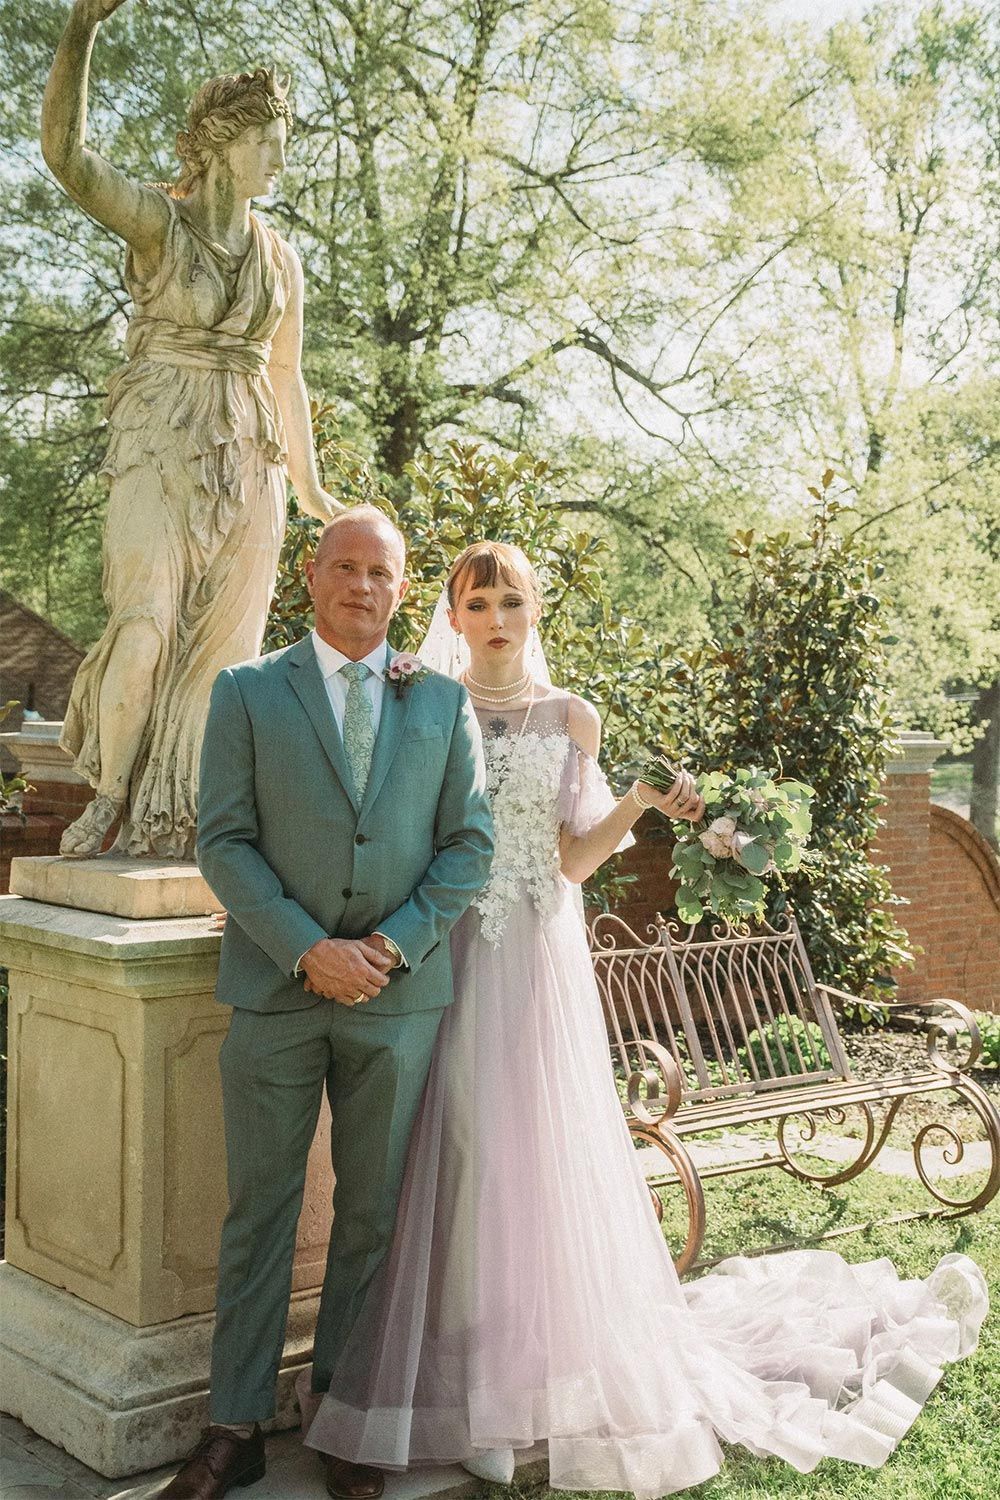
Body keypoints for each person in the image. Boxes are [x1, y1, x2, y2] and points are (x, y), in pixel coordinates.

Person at [303, 540, 988, 1499]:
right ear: (451, 616)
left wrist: (637, 800)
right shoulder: (425, 702)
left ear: (535, 611)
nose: (495, 618)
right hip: (441, 950)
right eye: (477, 603)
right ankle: (455, 1378)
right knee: (452, 1150)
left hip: (531, 957)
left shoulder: (571, 715)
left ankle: (515, 1388)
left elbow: (573, 862)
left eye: (511, 600)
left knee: (524, 1154)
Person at [159, 508, 494, 1500]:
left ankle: (344, 1414)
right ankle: (233, 1426)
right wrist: (308, 949)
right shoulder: (246, 690)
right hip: (275, 992)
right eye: (344, 566)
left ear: (403, 589)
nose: (361, 586)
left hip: (397, 1000)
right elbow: (222, 839)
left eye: (380, 572)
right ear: (311, 576)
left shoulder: (442, 701)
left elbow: (469, 844)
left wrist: (387, 948)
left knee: (373, 1213)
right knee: (258, 1211)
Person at [41, 0, 343, 860]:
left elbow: (286, 372)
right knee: (143, 625)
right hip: (160, 435)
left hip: (251, 453)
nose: (280, 158)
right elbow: (66, 158)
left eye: (283, 141)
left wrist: (311, 485)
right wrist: (82, 29)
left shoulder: (281, 258)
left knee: (226, 656)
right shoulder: (158, 224)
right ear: (220, 143)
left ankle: (183, 823)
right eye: (266, 141)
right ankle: (109, 795)